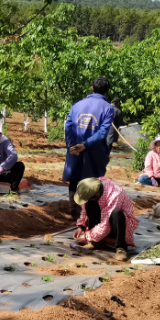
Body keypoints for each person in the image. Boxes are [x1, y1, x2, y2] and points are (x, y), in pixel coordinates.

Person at [62, 77, 115, 218]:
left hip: (74, 151)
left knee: (75, 179)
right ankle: (89, 217)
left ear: (92, 88)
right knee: (93, 183)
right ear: (107, 92)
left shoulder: (77, 105)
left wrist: (72, 145)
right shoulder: (109, 109)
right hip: (95, 152)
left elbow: (68, 126)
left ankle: (75, 214)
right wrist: (84, 145)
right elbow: (103, 132)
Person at [72, 177, 138, 262]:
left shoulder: (115, 195)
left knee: (117, 213)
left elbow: (105, 225)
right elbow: (85, 209)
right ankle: (97, 242)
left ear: (97, 194)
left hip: (117, 227)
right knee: (89, 204)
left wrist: (87, 236)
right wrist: (81, 226)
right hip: (102, 226)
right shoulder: (93, 188)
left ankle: (121, 248)